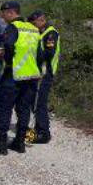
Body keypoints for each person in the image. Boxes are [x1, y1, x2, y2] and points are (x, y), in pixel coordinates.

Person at [0, 1, 42, 155]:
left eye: (4, 13)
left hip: (14, 75)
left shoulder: (13, 27)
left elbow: (8, 46)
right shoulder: (34, 29)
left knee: (4, 108)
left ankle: (0, 144)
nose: (2, 16)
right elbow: (40, 54)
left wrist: (5, 59)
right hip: (32, 76)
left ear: (11, 12)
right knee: (23, 110)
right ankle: (19, 142)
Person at [27, 10, 59, 144]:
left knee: (40, 103)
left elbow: (49, 53)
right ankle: (38, 129)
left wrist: (36, 57)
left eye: (34, 24)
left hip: (46, 73)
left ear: (41, 20)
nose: (33, 27)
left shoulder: (50, 34)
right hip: (38, 72)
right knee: (35, 102)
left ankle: (44, 134)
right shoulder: (40, 33)